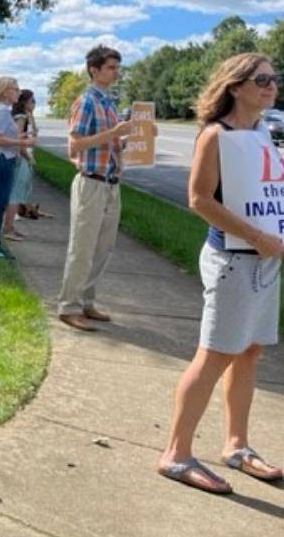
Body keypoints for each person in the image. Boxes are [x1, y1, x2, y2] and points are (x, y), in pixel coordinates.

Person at [157, 53, 284, 493]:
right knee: (214, 354)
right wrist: (257, 236)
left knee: (249, 351)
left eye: (274, 78)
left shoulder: (262, 133)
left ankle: (237, 445)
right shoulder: (216, 135)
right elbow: (199, 200)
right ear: (235, 86)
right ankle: (176, 454)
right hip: (233, 260)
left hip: (265, 260)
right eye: (261, 79)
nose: (271, 85)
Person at [55, 45, 131, 331]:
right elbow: (75, 145)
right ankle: (68, 306)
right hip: (91, 182)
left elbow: (113, 142)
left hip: (111, 183)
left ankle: (86, 301)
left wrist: (136, 136)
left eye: (116, 67)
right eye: (111, 67)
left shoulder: (109, 103)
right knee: (83, 247)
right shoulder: (86, 102)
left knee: (103, 247)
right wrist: (112, 133)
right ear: (94, 70)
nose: (116, 72)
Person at [0, 77, 35, 259]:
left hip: (0, 159)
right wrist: (22, 141)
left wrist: (20, 136)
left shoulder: (1, 110)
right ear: (4, 91)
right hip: (3, 160)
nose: (18, 92)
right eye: (15, 89)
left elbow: (1, 135)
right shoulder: (3, 111)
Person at [3, 90, 36, 240]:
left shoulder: (24, 116)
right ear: (25, 102)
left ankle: (10, 227)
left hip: (17, 157)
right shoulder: (21, 117)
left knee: (16, 194)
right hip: (19, 158)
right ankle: (8, 229)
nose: (34, 103)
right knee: (15, 195)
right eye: (32, 100)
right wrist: (29, 158)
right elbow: (18, 141)